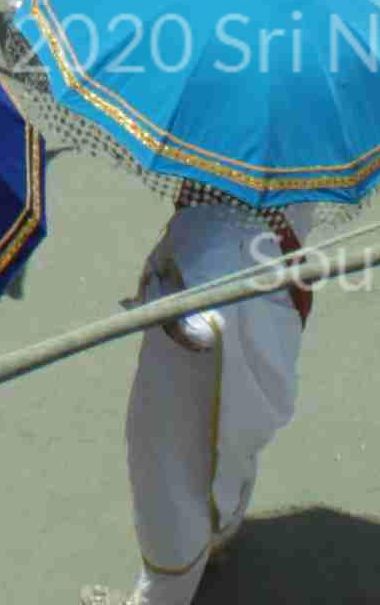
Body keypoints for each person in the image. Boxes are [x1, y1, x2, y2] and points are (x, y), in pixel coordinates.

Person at [122, 183, 311, 605]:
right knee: (231, 450)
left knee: (169, 473)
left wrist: (158, 292)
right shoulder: (297, 179)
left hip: (196, 372)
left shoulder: (211, 228)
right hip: (269, 310)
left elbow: (200, 329)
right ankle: (220, 534)